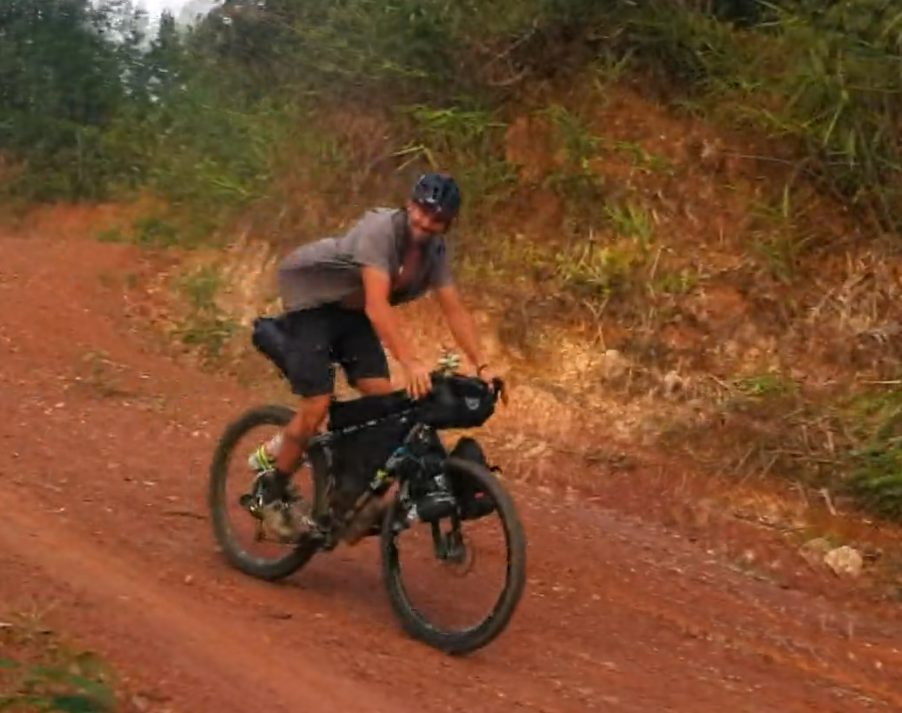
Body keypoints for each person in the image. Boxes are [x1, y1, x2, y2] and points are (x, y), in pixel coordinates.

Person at [246, 173, 496, 541]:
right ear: (410, 205)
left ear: (448, 224)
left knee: (384, 404)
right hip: (312, 303)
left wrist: (484, 364)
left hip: (351, 312)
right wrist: (410, 361)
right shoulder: (381, 231)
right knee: (317, 403)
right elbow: (379, 308)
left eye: (437, 219)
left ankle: (347, 490)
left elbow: (454, 310)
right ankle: (271, 493)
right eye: (423, 211)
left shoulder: (435, 253)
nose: (426, 223)